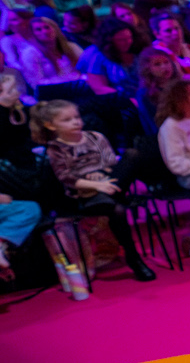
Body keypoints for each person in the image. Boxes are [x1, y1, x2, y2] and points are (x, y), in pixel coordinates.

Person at [30, 98, 157, 282]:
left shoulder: (95, 137)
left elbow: (111, 163)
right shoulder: (56, 148)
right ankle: (134, 258)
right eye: (67, 120)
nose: (76, 122)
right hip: (83, 195)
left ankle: (108, 195)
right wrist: (95, 184)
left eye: (76, 117)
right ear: (51, 125)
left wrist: (101, 176)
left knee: (131, 155)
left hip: (108, 182)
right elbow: (66, 177)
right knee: (117, 210)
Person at [0, 70, 43, 282]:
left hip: (21, 168)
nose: (16, 93)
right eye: (11, 90)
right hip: (9, 174)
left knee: (31, 208)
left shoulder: (17, 112)